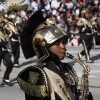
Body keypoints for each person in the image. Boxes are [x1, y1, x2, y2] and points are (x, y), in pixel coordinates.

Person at [17, 10, 93, 100]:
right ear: (44, 47)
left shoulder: (66, 68)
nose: (63, 47)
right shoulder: (36, 74)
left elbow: (70, 93)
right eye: (57, 43)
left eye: (63, 42)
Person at [0, 18, 13, 86]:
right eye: (1, 23)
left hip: (5, 50)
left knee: (10, 63)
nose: (2, 24)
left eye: (2, 23)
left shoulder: (3, 30)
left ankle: (6, 78)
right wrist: (5, 43)